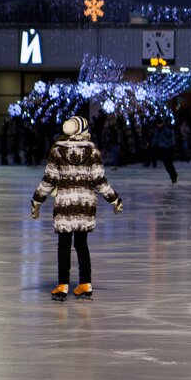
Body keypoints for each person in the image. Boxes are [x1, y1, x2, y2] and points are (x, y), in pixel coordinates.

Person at [31, 116, 124, 301]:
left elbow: (49, 180)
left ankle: (63, 285)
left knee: (64, 245)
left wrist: (37, 200)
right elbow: (99, 181)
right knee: (82, 244)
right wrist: (115, 200)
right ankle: (85, 284)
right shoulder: (92, 151)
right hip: (85, 204)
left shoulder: (57, 150)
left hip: (65, 203)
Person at [151, 118, 179, 183]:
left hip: (168, 148)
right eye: (157, 124)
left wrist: (168, 142)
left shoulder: (166, 130)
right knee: (167, 164)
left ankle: (173, 177)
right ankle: (174, 175)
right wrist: (153, 144)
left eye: (159, 124)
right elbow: (155, 138)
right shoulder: (157, 131)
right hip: (162, 149)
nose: (158, 125)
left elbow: (170, 139)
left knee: (169, 163)